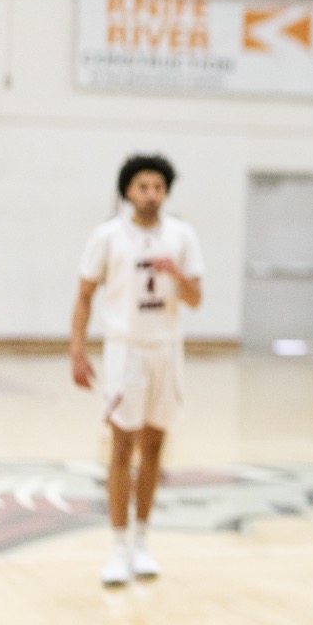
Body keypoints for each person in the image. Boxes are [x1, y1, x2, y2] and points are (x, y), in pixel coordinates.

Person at [70, 154, 204, 587]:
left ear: (166, 193)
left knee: (155, 447)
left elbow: (196, 298)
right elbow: (85, 295)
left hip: (166, 348)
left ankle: (143, 542)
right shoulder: (108, 236)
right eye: (143, 186)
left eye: (158, 187)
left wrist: (177, 274)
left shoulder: (182, 236)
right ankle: (117, 547)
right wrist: (77, 349)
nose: (151, 194)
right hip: (124, 350)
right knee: (121, 447)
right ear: (128, 191)